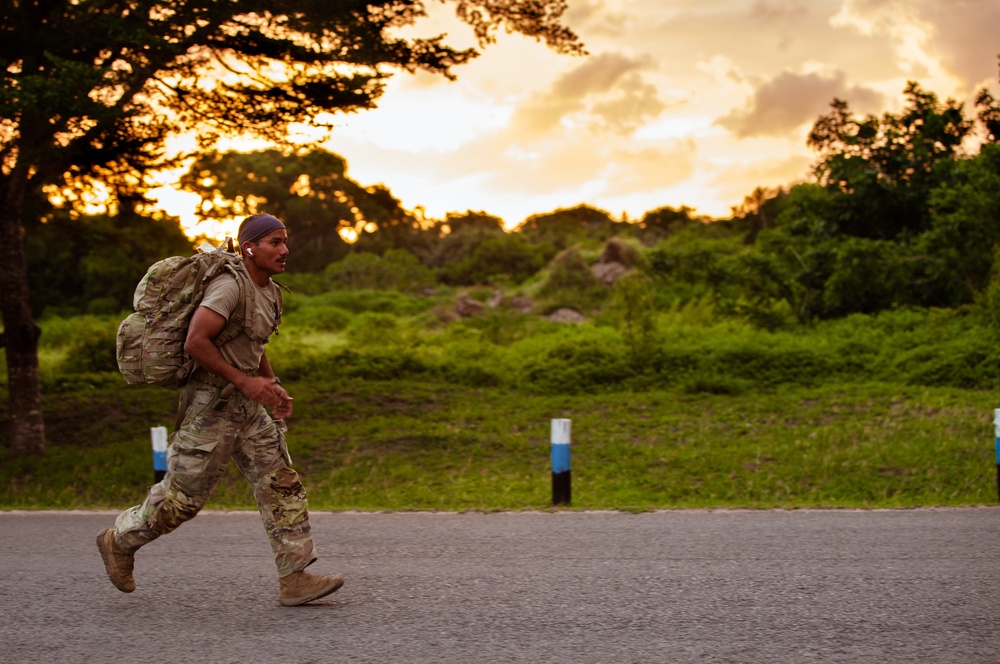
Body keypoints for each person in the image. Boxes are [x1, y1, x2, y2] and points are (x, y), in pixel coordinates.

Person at [96, 213, 344, 607]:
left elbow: (253, 343)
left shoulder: (271, 292)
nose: (284, 250)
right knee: (182, 501)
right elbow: (197, 341)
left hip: (248, 409)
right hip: (210, 405)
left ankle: (294, 578)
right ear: (250, 247)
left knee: (281, 484)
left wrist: (272, 385)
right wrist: (245, 382)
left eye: (285, 241)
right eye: (274, 243)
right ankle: (120, 539)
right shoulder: (230, 287)